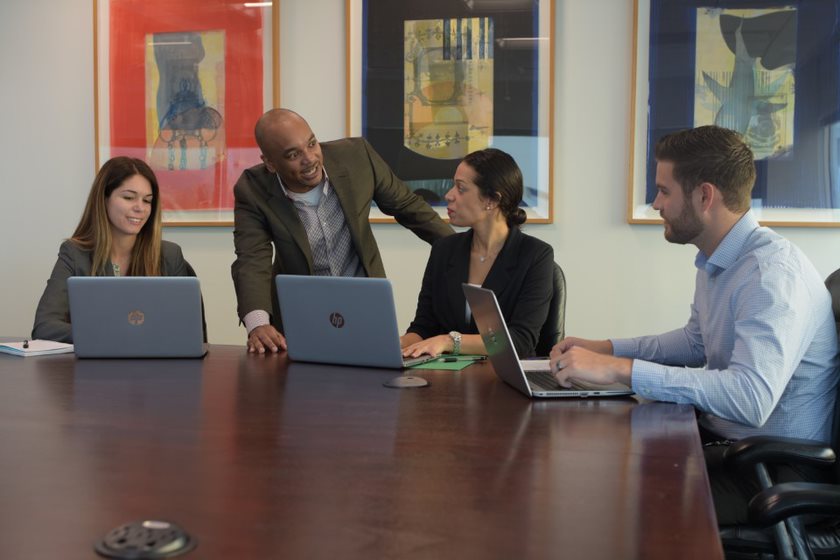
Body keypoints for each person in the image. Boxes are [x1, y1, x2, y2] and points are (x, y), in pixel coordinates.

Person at [548, 125, 839, 524]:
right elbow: (695, 342)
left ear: (705, 196)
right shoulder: (718, 260)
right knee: (589, 464)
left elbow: (750, 398)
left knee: (610, 504)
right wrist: (607, 348)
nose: (655, 204)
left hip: (772, 469)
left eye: (664, 191)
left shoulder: (772, 274)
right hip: (728, 445)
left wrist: (623, 370)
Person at [231, 108, 454, 354]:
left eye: (312, 144)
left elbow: (408, 207)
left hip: (364, 303)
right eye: (293, 154)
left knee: (374, 386)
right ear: (271, 164)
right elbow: (251, 258)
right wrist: (258, 324)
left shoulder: (357, 157)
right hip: (299, 313)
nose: (310, 159)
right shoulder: (252, 189)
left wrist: (462, 248)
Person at [400, 148, 554, 359]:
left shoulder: (535, 256)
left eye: (461, 188)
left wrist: (449, 341)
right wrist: (396, 344)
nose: (449, 195)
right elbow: (424, 326)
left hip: (505, 382)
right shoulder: (444, 250)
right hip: (445, 379)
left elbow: (519, 341)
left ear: (492, 200)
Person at [32, 156, 195, 343]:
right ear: (104, 199)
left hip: (154, 367)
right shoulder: (74, 253)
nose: (140, 208)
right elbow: (44, 327)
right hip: (94, 369)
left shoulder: (169, 255)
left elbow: (186, 328)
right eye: (128, 197)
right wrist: (113, 335)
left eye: (147, 200)